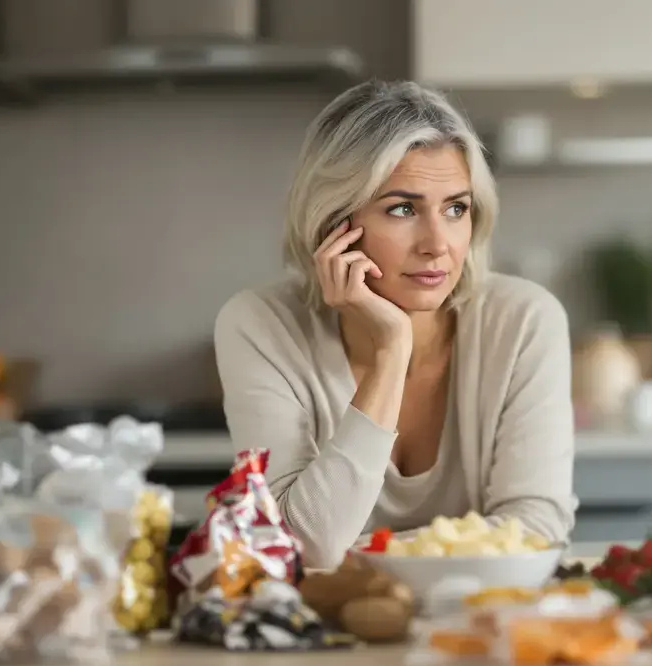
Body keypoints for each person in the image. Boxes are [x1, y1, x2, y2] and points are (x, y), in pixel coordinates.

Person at [213, 81, 577, 567]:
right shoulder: (260, 325)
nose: (437, 243)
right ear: (333, 223)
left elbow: (536, 528)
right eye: (403, 209)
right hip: (330, 632)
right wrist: (392, 350)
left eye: (456, 209)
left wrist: (377, 557)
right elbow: (302, 546)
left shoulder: (524, 321)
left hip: (482, 621)